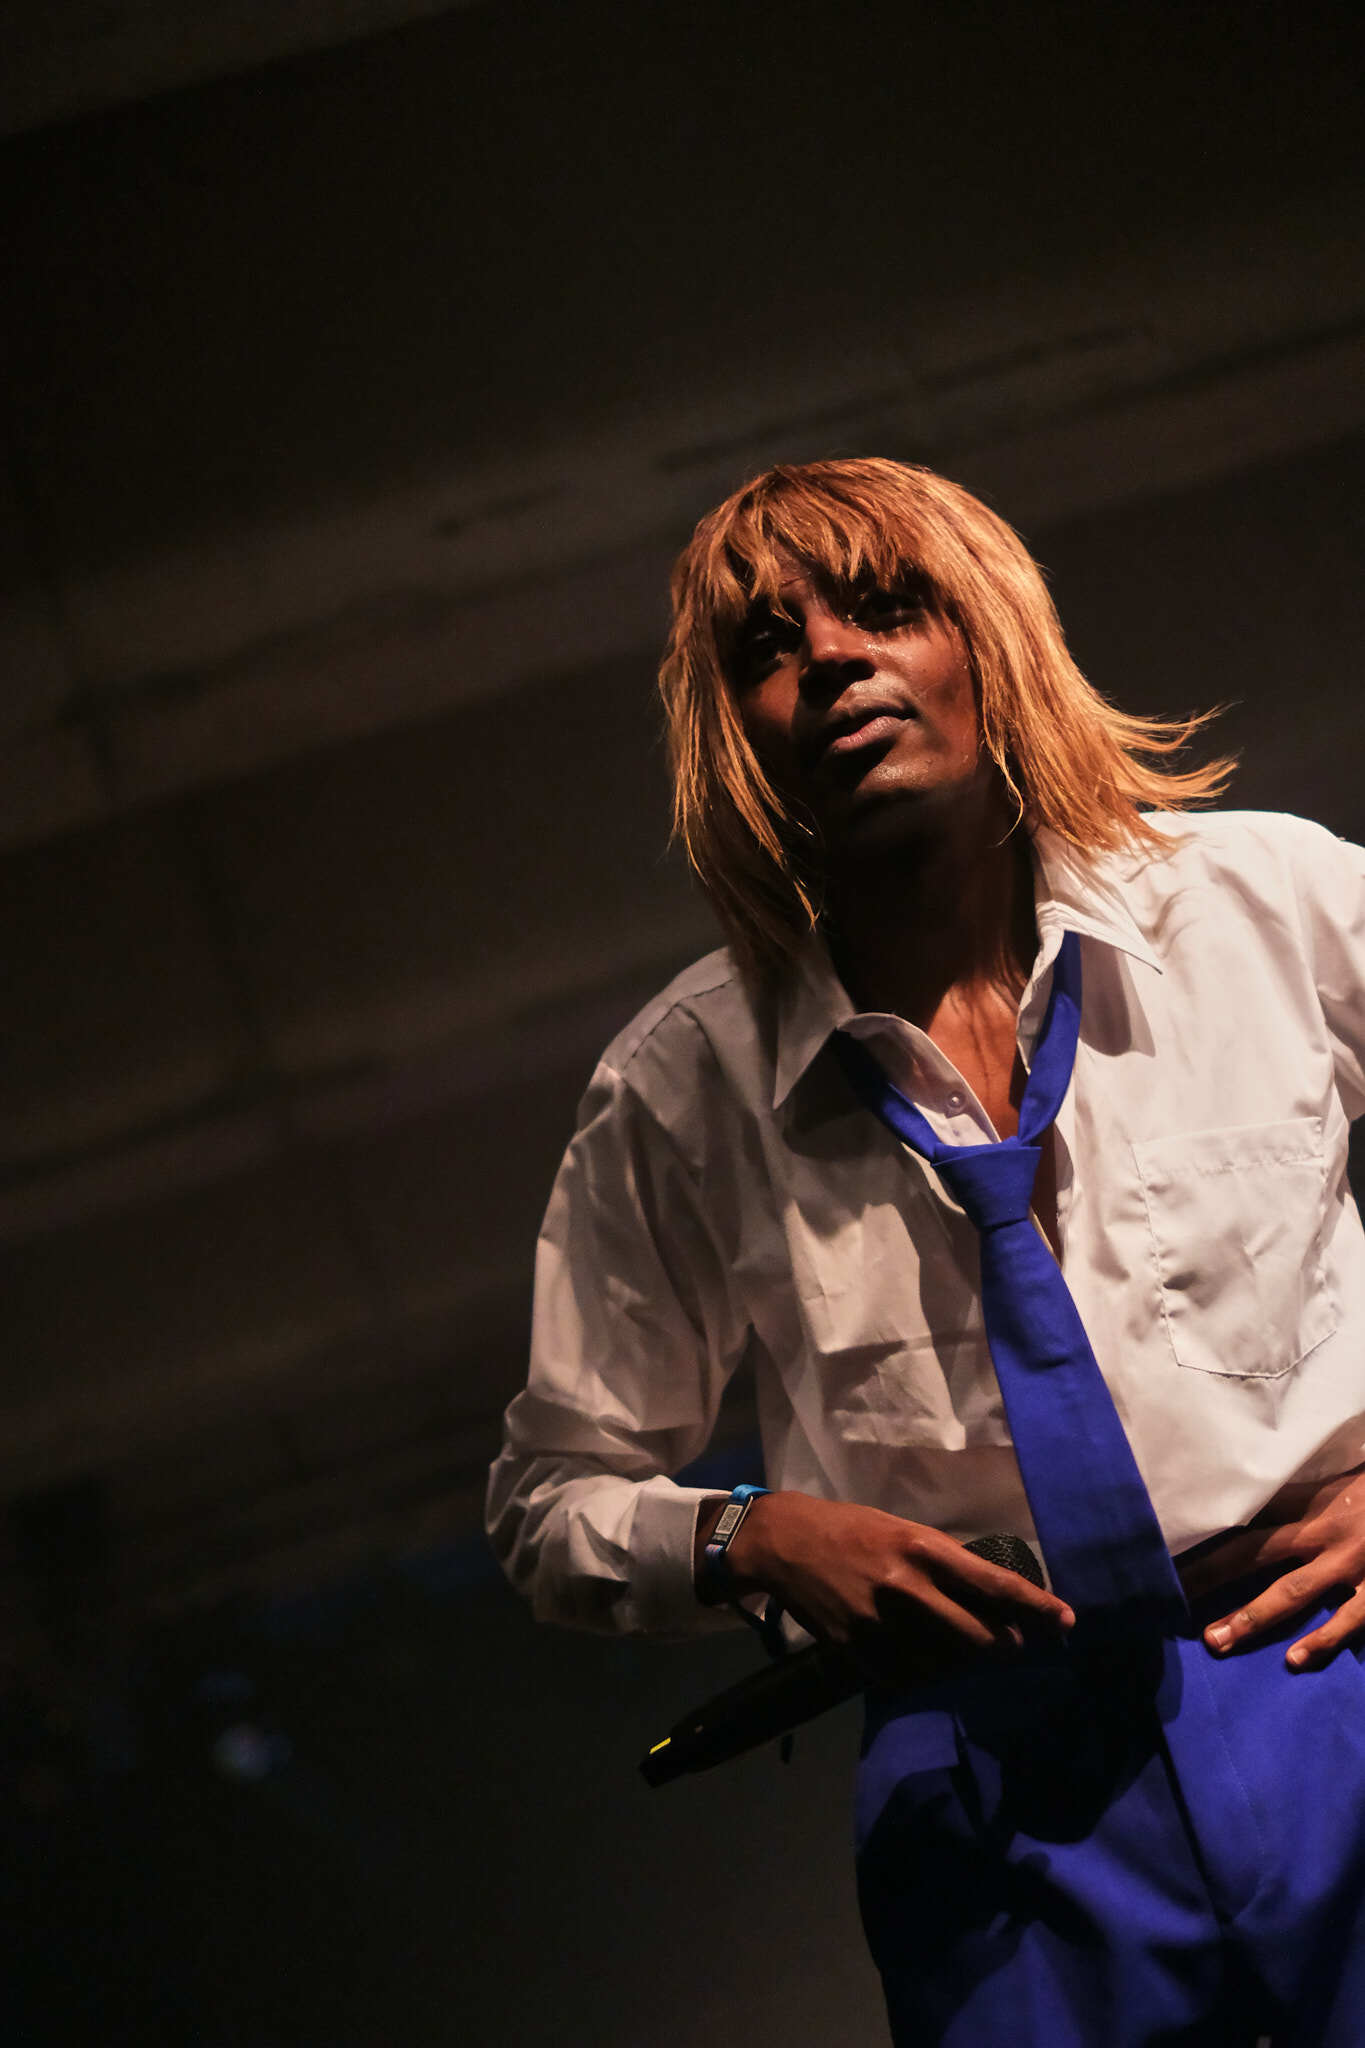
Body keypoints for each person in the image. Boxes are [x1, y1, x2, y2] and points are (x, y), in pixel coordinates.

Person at [486, 458, 1365, 2044]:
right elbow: (551, 1500)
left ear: (994, 639)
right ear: (730, 734)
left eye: (886, 608)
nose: (828, 657)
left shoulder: (1274, 908)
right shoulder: (682, 1087)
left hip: (1324, 1656)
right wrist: (754, 1538)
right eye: (769, 646)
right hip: (993, 1782)